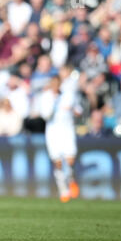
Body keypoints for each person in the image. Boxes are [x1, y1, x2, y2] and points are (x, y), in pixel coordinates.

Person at [40, 72, 80, 203]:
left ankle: (71, 180)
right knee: (57, 162)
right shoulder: (46, 97)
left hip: (67, 130)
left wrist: (75, 111)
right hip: (53, 132)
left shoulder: (68, 95)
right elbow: (46, 115)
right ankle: (63, 190)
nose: (55, 85)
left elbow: (78, 109)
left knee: (70, 160)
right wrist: (53, 101)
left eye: (57, 83)